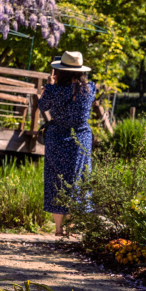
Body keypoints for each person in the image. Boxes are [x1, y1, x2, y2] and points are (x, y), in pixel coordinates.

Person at [38, 51, 95, 236]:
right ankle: (73, 228)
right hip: (81, 137)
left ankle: (59, 229)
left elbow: (42, 106)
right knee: (77, 179)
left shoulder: (53, 90)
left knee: (56, 180)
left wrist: (50, 85)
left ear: (59, 72)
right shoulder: (90, 89)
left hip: (57, 137)